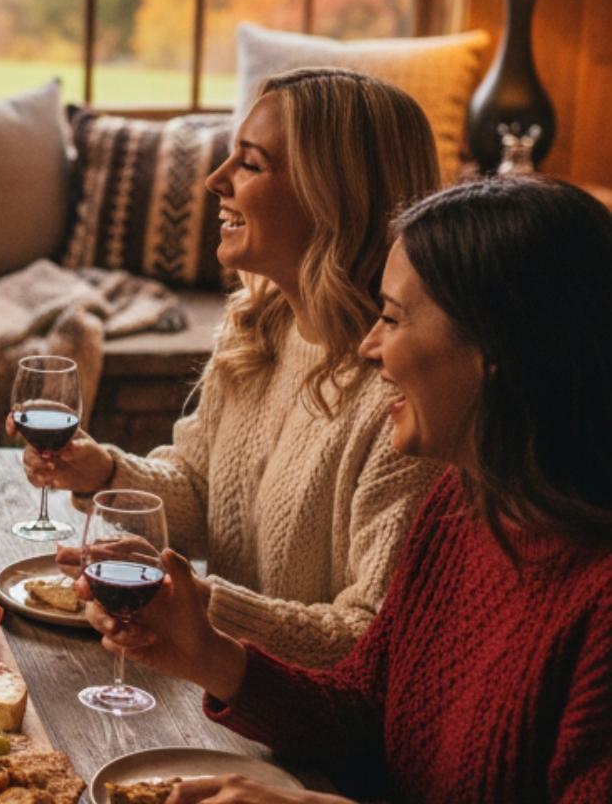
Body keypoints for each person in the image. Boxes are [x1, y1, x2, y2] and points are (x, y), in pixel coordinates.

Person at [86, 177, 612, 803]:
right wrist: (208, 655)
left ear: (493, 349)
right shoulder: (460, 503)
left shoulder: (597, 600)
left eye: (391, 318)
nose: (368, 347)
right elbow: (366, 711)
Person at [27, 68, 443, 666]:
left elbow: (367, 640)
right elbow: (200, 495)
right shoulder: (259, 325)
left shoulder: (402, 397)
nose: (214, 180)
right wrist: (104, 472)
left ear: (331, 194)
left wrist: (196, 603)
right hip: (224, 691)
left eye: (249, 164)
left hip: (306, 737)